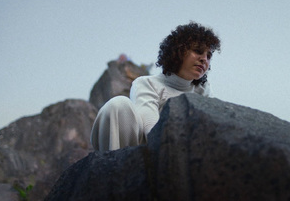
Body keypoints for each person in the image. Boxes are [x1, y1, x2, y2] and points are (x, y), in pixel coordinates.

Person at [90, 22, 221, 151]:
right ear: (178, 51)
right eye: (198, 51)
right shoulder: (147, 83)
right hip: (146, 152)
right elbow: (150, 128)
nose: (204, 59)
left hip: (189, 155)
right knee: (118, 104)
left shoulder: (203, 90)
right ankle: (113, 167)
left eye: (208, 56)